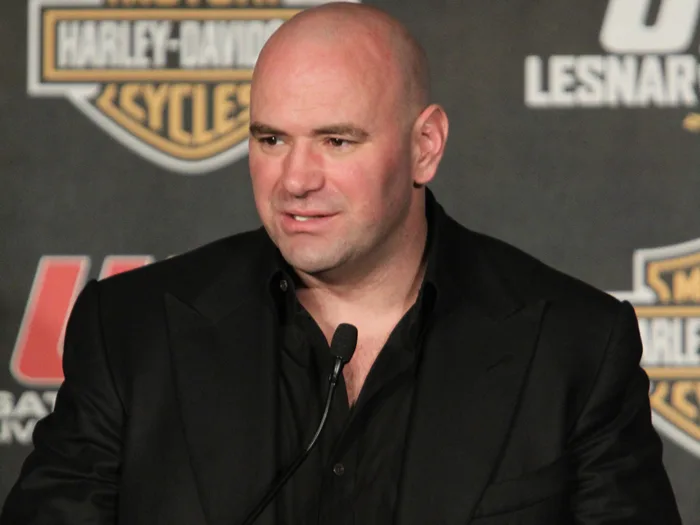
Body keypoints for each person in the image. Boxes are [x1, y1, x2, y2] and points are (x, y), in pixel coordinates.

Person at [0, 3, 682, 524]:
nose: (295, 178)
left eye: (336, 139)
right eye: (271, 138)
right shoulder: (133, 331)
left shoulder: (574, 347)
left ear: (425, 146)